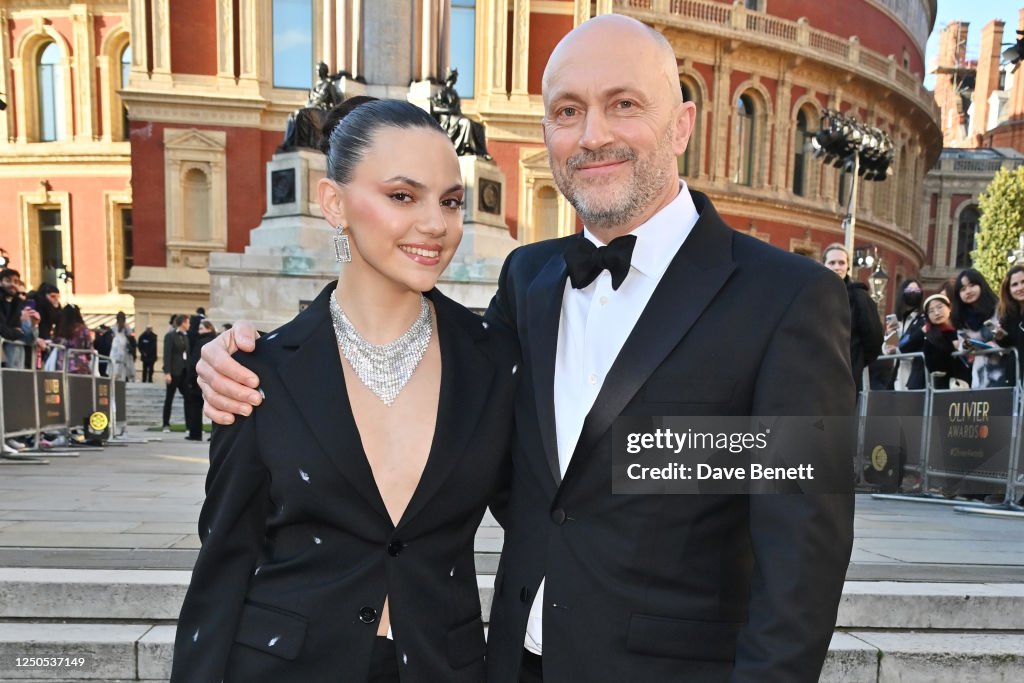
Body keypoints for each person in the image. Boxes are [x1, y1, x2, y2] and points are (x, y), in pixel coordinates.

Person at [199, 16, 855, 682]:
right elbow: (497, 453)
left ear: (682, 124)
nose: (593, 134)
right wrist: (243, 357)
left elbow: (802, 558)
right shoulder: (528, 280)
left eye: (623, 104)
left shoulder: (788, 300)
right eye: (568, 111)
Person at [170, 98, 516, 683]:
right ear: (334, 204)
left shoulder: (495, 363)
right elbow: (225, 562)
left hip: (442, 666)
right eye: (402, 196)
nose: (436, 223)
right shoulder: (260, 373)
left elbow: (545, 515)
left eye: (450, 201)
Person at [822, 243, 884, 394]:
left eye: (841, 263)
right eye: (832, 263)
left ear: (848, 267)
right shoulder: (814, 295)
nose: (837, 267)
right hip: (818, 371)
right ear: (824, 265)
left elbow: (874, 337)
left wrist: (857, 361)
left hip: (846, 374)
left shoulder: (860, 297)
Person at [951, 268, 1009, 388]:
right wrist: (965, 346)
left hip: (1003, 372)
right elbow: (962, 342)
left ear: (981, 285)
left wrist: (998, 342)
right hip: (979, 375)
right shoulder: (961, 318)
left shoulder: (999, 309)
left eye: (972, 285)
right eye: (963, 289)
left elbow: (1010, 337)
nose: (968, 291)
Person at [899, 293, 971, 390]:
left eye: (940, 307)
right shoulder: (925, 329)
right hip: (923, 384)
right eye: (931, 311)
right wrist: (921, 332)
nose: (936, 313)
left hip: (956, 383)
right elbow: (903, 346)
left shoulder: (960, 328)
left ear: (949, 308)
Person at [884, 278, 926, 390]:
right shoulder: (897, 320)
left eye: (916, 290)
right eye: (910, 289)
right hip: (896, 376)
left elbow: (914, 346)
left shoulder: (923, 320)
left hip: (914, 376)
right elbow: (888, 350)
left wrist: (897, 350)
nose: (913, 292)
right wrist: (890, 336)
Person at [183, 319, 216, 441]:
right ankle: (214, 435)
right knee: (215, 409)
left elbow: (195, 362)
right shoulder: (217, 341)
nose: (199, 331)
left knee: (195, 408)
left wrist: (191, 379)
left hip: (200, 379)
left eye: (201, 328)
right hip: (214, 379)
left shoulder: (201, 342)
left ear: (209, 329)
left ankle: (195, 433)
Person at [994, 264, 1024, 381]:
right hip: (1017, 377)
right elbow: (1010, 343)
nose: (1020, 287)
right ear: (1008, 289)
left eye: (1023, 282)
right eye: (1014, 285)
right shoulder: (1007, 314)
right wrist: (1001, 337)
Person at [162, 315, 189, 432]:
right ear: (183, 323)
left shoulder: (185, 337)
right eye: (188, 322)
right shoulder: (170, 336)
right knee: (169, 398)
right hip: (173, 372)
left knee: (188, 398)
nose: (189, 325)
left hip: (184, 372)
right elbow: (167, 355)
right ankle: (166, 424)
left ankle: (190, 425)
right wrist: (167, 372)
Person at [50, 304, 94, 375]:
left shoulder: (59, 329)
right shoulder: (83, 329)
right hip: (80, 365)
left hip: (61, 364)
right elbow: (89, 348)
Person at [110, 311, 135, 381]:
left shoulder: (114, 326)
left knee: (114, 358)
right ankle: (125, 375)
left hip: (116, 342)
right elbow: (129, 334)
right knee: (125, 360)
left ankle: (115, 373)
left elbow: (113, 334)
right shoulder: (126, 326)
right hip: (123, 342)